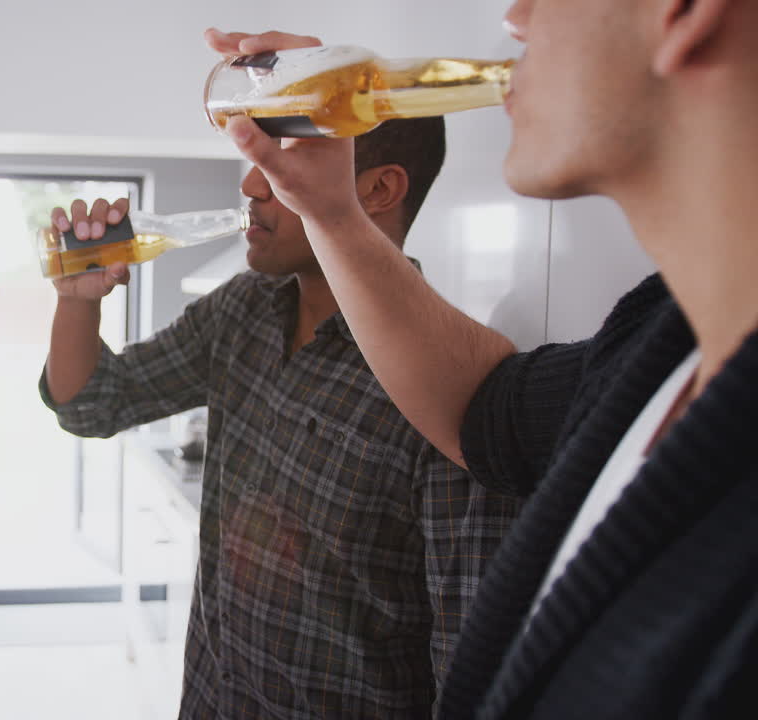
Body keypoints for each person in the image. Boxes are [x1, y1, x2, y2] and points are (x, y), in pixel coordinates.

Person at [208, 0, 758, 716]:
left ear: (684, 12)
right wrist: (330, 210)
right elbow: (485, 408)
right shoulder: (659, 346)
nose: (516, 17)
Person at [40, 118, 521, 718]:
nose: (251, 184)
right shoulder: (244, 309)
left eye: (285, 160)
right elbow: (92, 404)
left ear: (378, 191)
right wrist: (75, 302)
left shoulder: (447, 386)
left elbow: (471, 662)